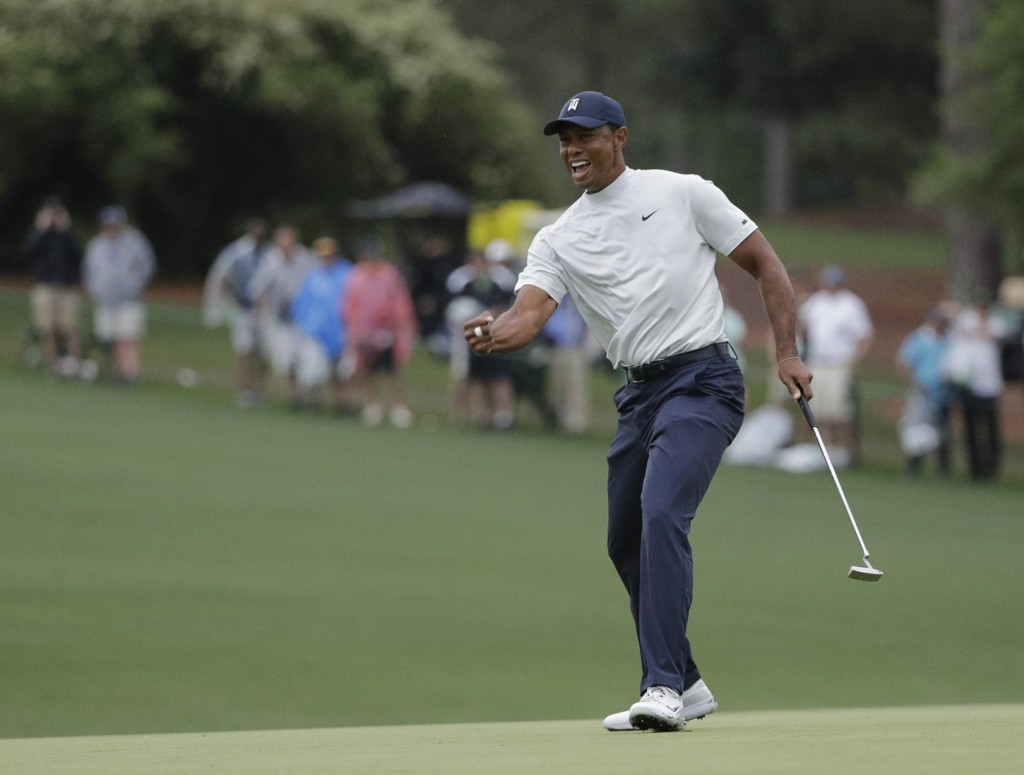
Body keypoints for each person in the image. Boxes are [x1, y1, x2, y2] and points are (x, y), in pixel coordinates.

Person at [464, 91, 812, 732]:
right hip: (640, 394)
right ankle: (690, 681)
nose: (571, 149)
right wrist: (495, 334)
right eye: (563, 139)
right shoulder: (559, 237)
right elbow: (528, 315)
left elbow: (765, 263)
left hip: (704, 379)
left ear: (619, 137)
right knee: (624, 538)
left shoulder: (683, 193)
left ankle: (660, 688)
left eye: (584, 136)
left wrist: (787, 354)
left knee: (660, 511)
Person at [797, 265, 873, 464]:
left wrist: (854, 361)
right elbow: (803, 329)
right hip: (817, 360)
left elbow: (864, 337)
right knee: (818, 407)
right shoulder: (816, 302)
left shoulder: (852, 304)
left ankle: (845, 452)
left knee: (839, 410)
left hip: (839, 362)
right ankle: (823, 451)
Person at [342, 238, 418, 428]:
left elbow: (400, 301)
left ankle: (398, 407)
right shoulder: (356, 275)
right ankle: (373, 405)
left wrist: (398, 322)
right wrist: (352, 327)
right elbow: (349, 303)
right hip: (363, 331)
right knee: (367, 369)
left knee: (392, 370)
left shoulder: (389, 274)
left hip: (387, 330)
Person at [447, 243, 519, 430]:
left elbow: (503, 309)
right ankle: (483, 416)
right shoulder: (467, 286)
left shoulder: (497, 285)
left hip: (494, 336)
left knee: (499, 378)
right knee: (477, 378)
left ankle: (504, 417)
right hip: (476, 338)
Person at [82, 205, 156, 383]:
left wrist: (137, 285)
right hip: (106, 299)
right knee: (111, 337)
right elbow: (89, 270)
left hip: (129, 298)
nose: (112, 227)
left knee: (128, 336)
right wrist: (94, 289)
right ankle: (119, 371)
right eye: (108, 224)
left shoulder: (135, 241)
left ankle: (130, 372)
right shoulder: (97, 244)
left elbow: (147, 265)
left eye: (115, 223)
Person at [204, 218, 272, 408]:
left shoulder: (270, 253)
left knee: (263, 351)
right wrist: (223, 305)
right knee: (245, 350)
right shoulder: (236, 252)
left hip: (264, 311)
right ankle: (245, 389)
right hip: (241, 308)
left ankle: (260, 388)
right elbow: (221, 277)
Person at [250, 226, 316, 405]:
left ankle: (310, 394)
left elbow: (316, 284)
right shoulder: (271, 260)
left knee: (308, 357)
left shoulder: (307, 259)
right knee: (286, 359)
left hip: (304, 317)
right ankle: (297, 394)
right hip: (280, 318)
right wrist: (261, 312)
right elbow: (259, 288)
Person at [943, 297, 1006, 481]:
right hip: (968, 382)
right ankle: (974, 469)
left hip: (989, 384)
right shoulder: (966, 319)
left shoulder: (997, 321)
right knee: (969, 424)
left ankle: (992, 469)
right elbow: (949, 315)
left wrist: (979, 328)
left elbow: (997, 335)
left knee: (990, 425)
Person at [290, 236, 355, 413]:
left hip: (342, 329)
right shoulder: (313, 275)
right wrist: (303, 324)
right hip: (316, 330)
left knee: (343, 371)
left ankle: (343, 402)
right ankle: (312, 399)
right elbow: (303, 302)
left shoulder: (348, 273)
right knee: (313, 369)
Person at [23, 197, 85, 377]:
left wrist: (65, 228)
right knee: (46, 328)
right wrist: (41, 228)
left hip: (67, 288)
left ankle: (78, 366)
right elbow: (30, 250)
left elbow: (78, 254)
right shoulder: (39, 235)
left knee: (69, 328)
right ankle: (53, 366)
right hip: (44, 286)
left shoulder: (69, 235)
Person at [896, 305, 953, 478]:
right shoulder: (918, 339)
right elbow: (904, 364)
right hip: (921, 392)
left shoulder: (947, 340)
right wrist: (916, 383)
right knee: (917, 430)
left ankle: (944, 470)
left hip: (942, 393)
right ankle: (914, 467)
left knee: (941, 431)